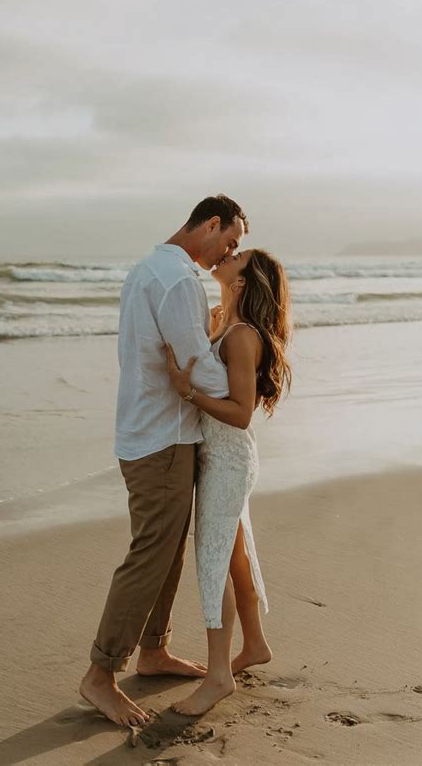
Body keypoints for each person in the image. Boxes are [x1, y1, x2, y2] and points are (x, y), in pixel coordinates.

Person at [79, 194, 248, 726]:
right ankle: (100, 674)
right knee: (152, 553)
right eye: (230, 241)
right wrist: (245, 396)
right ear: (212, 223)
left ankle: (152, 651)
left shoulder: (150, 267)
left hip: (150, 430)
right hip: (161, 437)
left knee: (169, 550)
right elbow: (196, 362)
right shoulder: (177, 280)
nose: (228, 252)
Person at [165, 247, 292, 715]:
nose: (226, 256)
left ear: (242, 281)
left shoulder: (241, 336)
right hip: (222, 457)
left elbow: (240, 414)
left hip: (227, 459)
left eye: (237, 257)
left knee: (214, 559)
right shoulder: (229, 327)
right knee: (234, 553)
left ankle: (218, 677)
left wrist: (188, 393)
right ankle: (254, 644)